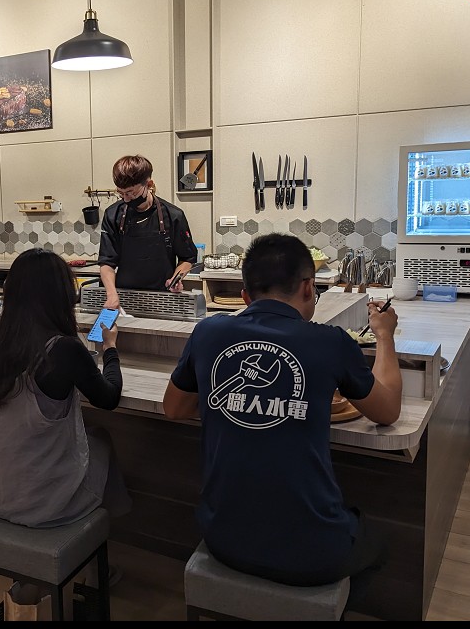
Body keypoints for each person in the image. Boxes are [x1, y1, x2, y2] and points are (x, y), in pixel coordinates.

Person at [162, 233, 402, 603]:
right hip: (314, 554)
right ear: (309, 288)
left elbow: (174, 408)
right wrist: (384, 336)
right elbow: (388, 412)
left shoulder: (208, 333)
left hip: (223, 538)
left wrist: (230, 398)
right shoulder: (331, 342)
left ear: (244, 295)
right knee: (384, 543)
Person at [0, 248, 132, 531]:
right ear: (61, 295)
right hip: (42, 502)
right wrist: (110, 347)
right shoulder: (62, 348)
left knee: (93, 440)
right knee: (103, 440)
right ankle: (106, 534)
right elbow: (109, 397)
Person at [99, 155, 198, 309]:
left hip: (162, 299)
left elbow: (188, 258)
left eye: (131, 193)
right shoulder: (113, 215)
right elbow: (107, 263)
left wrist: (175, 278)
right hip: (122, 298)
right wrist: (112, 295)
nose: (125, 199)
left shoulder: (173, 216)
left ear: (149, 184)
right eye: (121, 193)